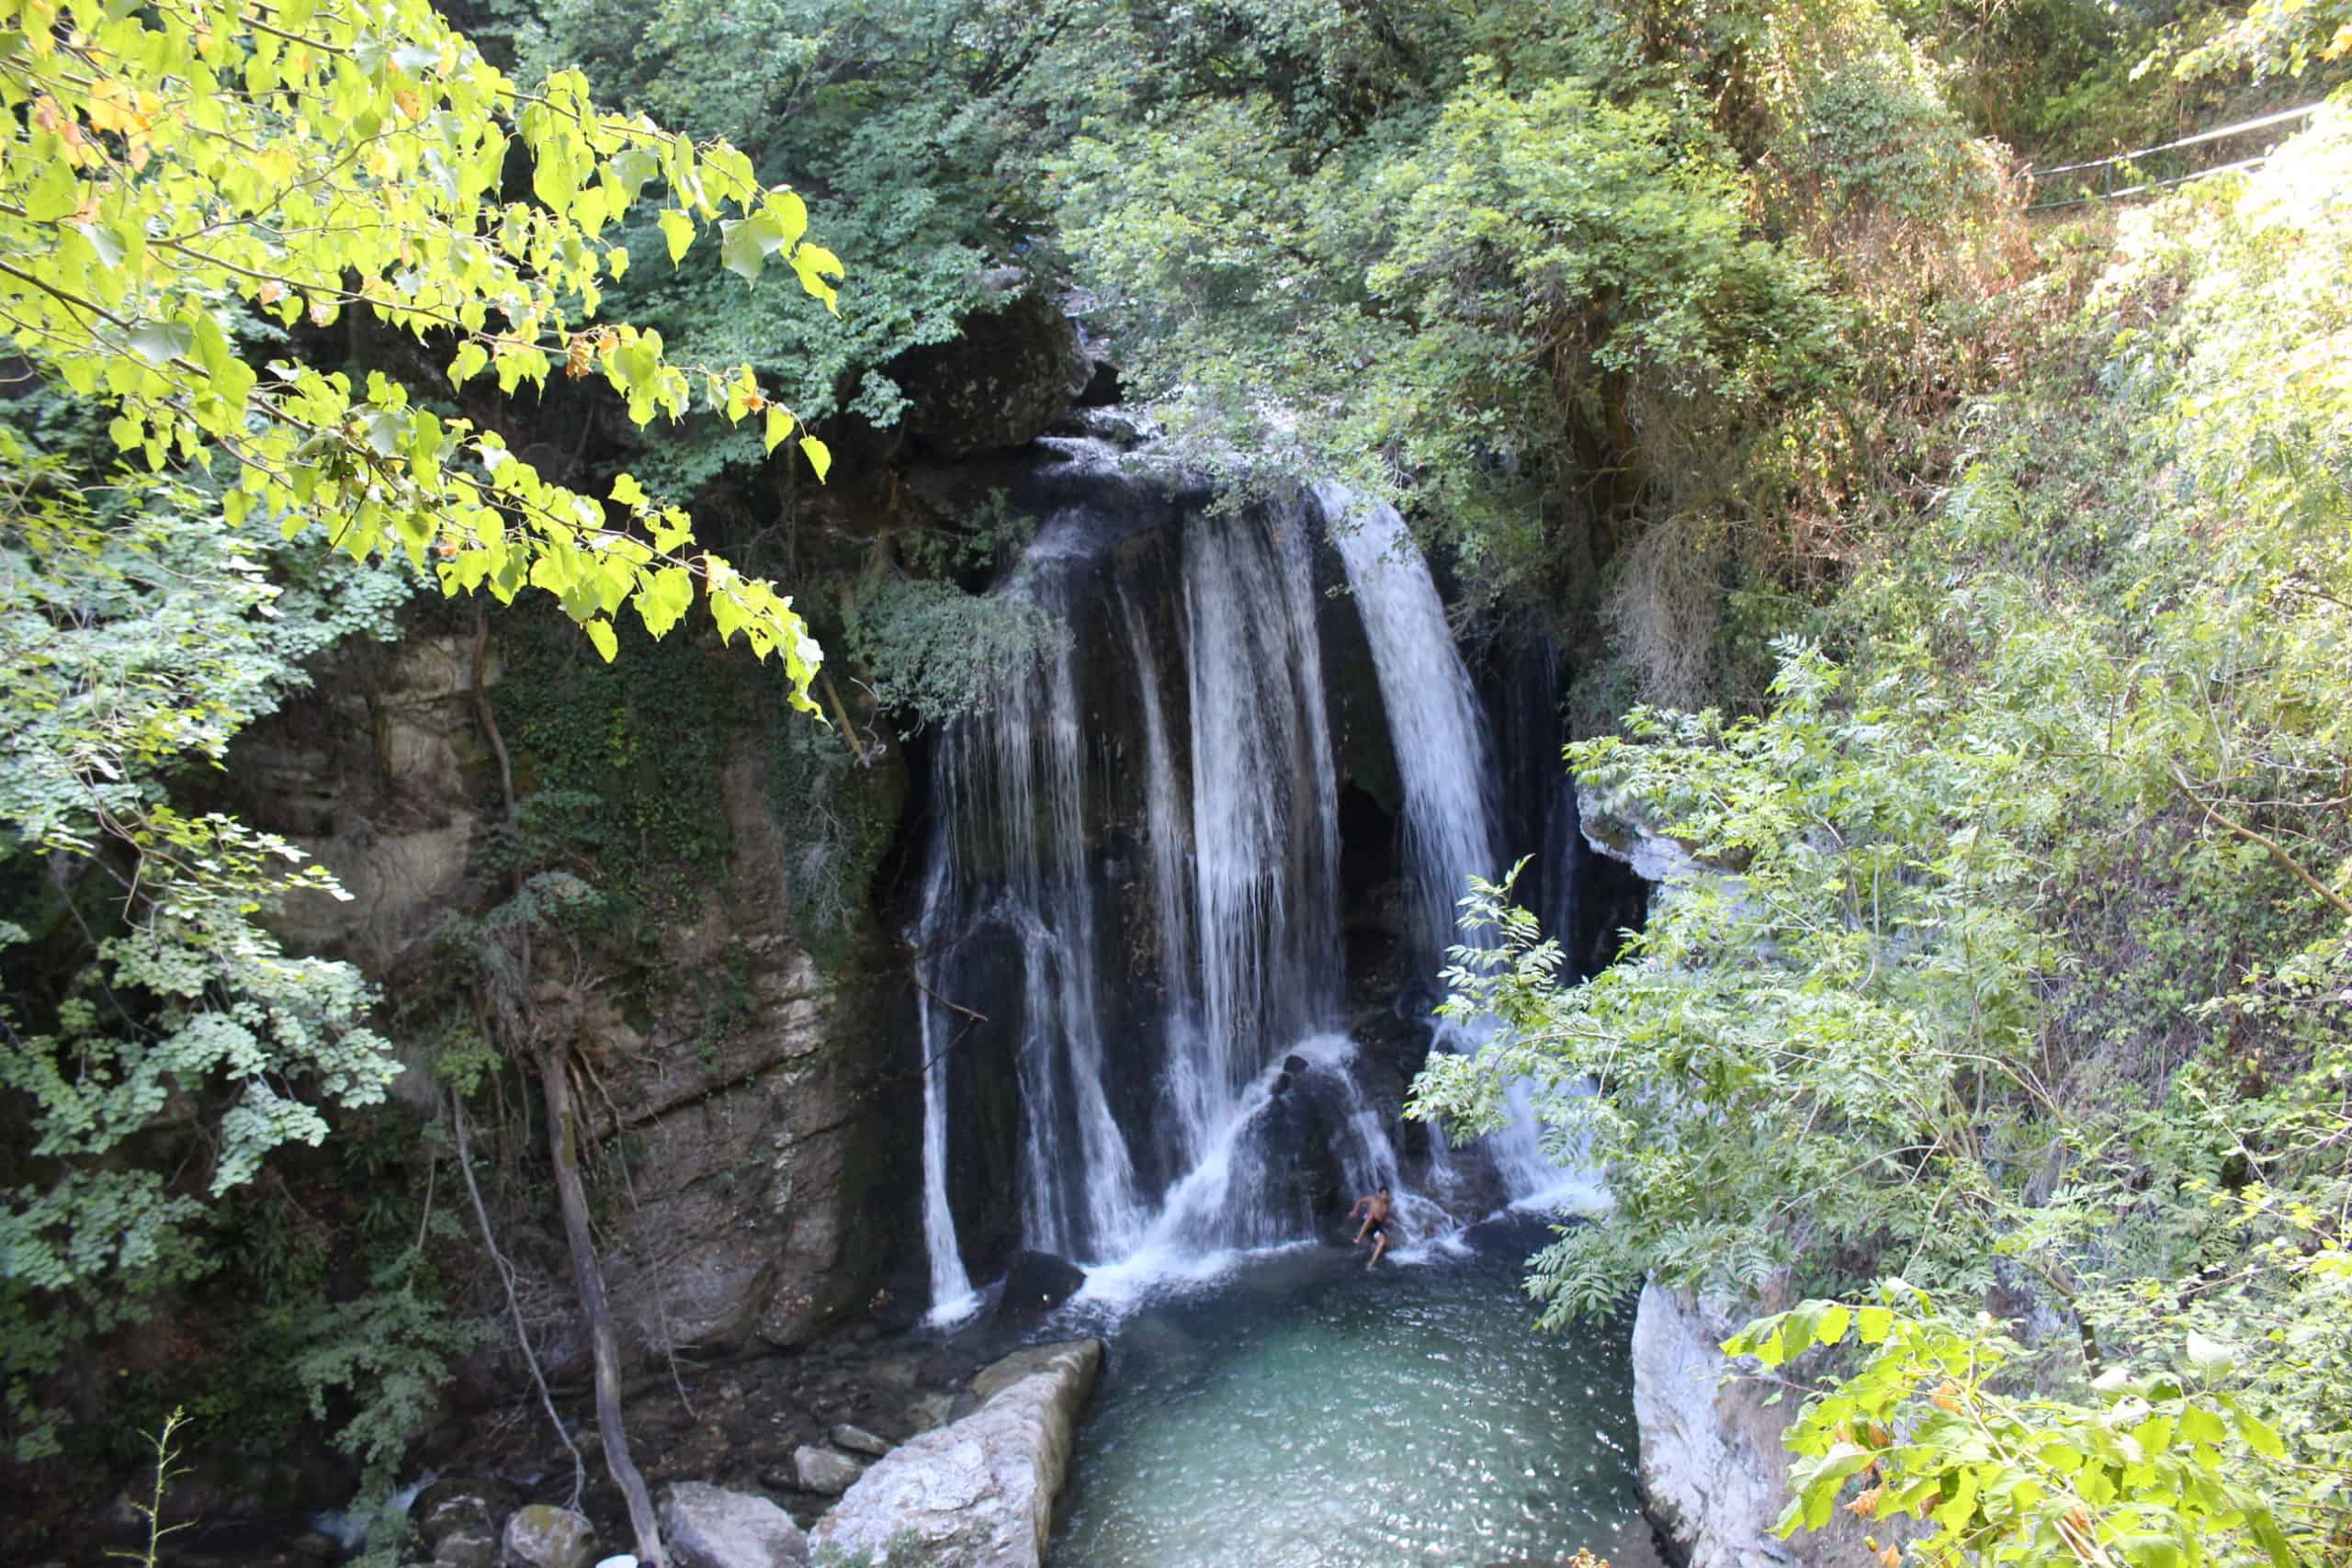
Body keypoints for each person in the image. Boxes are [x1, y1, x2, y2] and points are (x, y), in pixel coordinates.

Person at [1349, 1188, 1395, 1270]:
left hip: (1375, 1226)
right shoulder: (1373, 1199)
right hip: (1367, 1222)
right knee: (1371, 1216)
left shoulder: (1388, 1204)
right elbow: (1360, 1200)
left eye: (1386, 1194)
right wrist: (1355, 1211)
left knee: (1382, 1241)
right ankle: (1358, 1238)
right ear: (1379, 1194)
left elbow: (1383, 1217)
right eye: (1383, 1194)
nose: (1384, 1196)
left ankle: (1370, 1263)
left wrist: (1386, 1222)